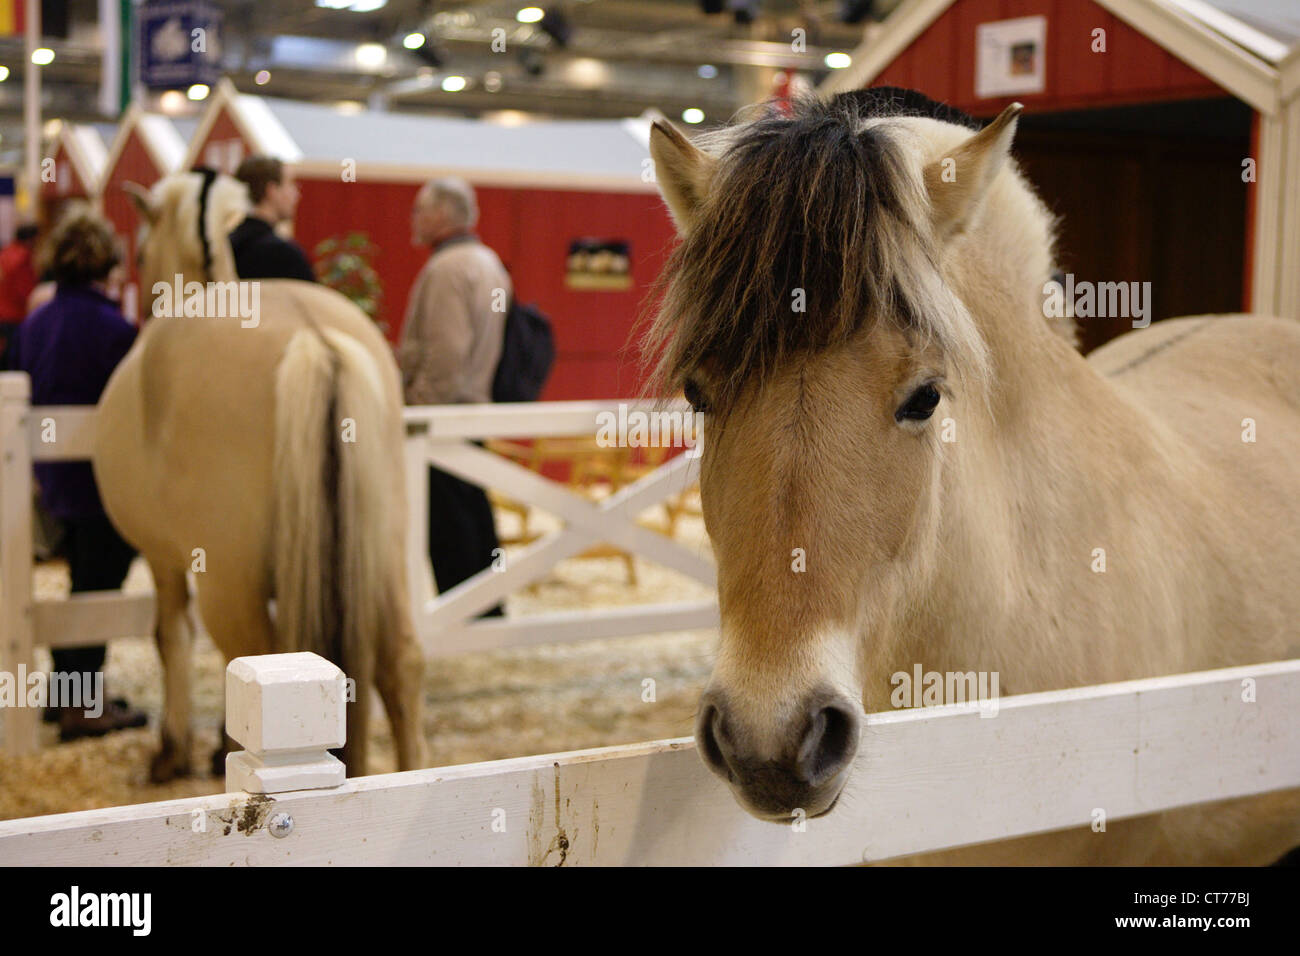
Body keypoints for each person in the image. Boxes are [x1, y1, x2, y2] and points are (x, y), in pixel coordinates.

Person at [6, 206, 148, 740]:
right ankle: (81, 707)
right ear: (106, 262)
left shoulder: (37, 321)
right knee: (98, 584)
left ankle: (65, 691)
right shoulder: (115, 329)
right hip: (100, 477)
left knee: (81, 579)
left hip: (48, 474)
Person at [398, 178, 508, 614]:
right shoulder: (487, 261)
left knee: (449, 526)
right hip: (473, 410)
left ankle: (461, 616)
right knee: (472, 514)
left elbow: (446, 353)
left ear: (442, 215)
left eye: (419, 210)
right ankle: (485, 611)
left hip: (443, 420)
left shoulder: (446, 269)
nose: (414, 219)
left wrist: (418, 414)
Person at [229, 155, 315, 282]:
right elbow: (310, 299)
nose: (297, 194)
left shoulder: (226, 248)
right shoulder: (285, 256)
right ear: (272, 190)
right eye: (291, 184)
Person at [0, 223, 40, 363]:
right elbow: (26, 291)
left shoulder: (5, 253)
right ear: (31, 240)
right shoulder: (23, 257)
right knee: (14, 360)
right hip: (16, 315)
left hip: (2, 313)